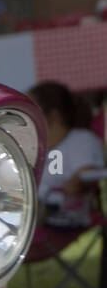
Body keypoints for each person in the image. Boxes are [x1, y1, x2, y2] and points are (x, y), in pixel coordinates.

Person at [29, 81, 105, 231]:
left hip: (59, 218)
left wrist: (79, 182)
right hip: (32, 212)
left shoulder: (82, 140)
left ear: (53, 116)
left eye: (31, 110)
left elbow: (87, 175)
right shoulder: (36, 147)